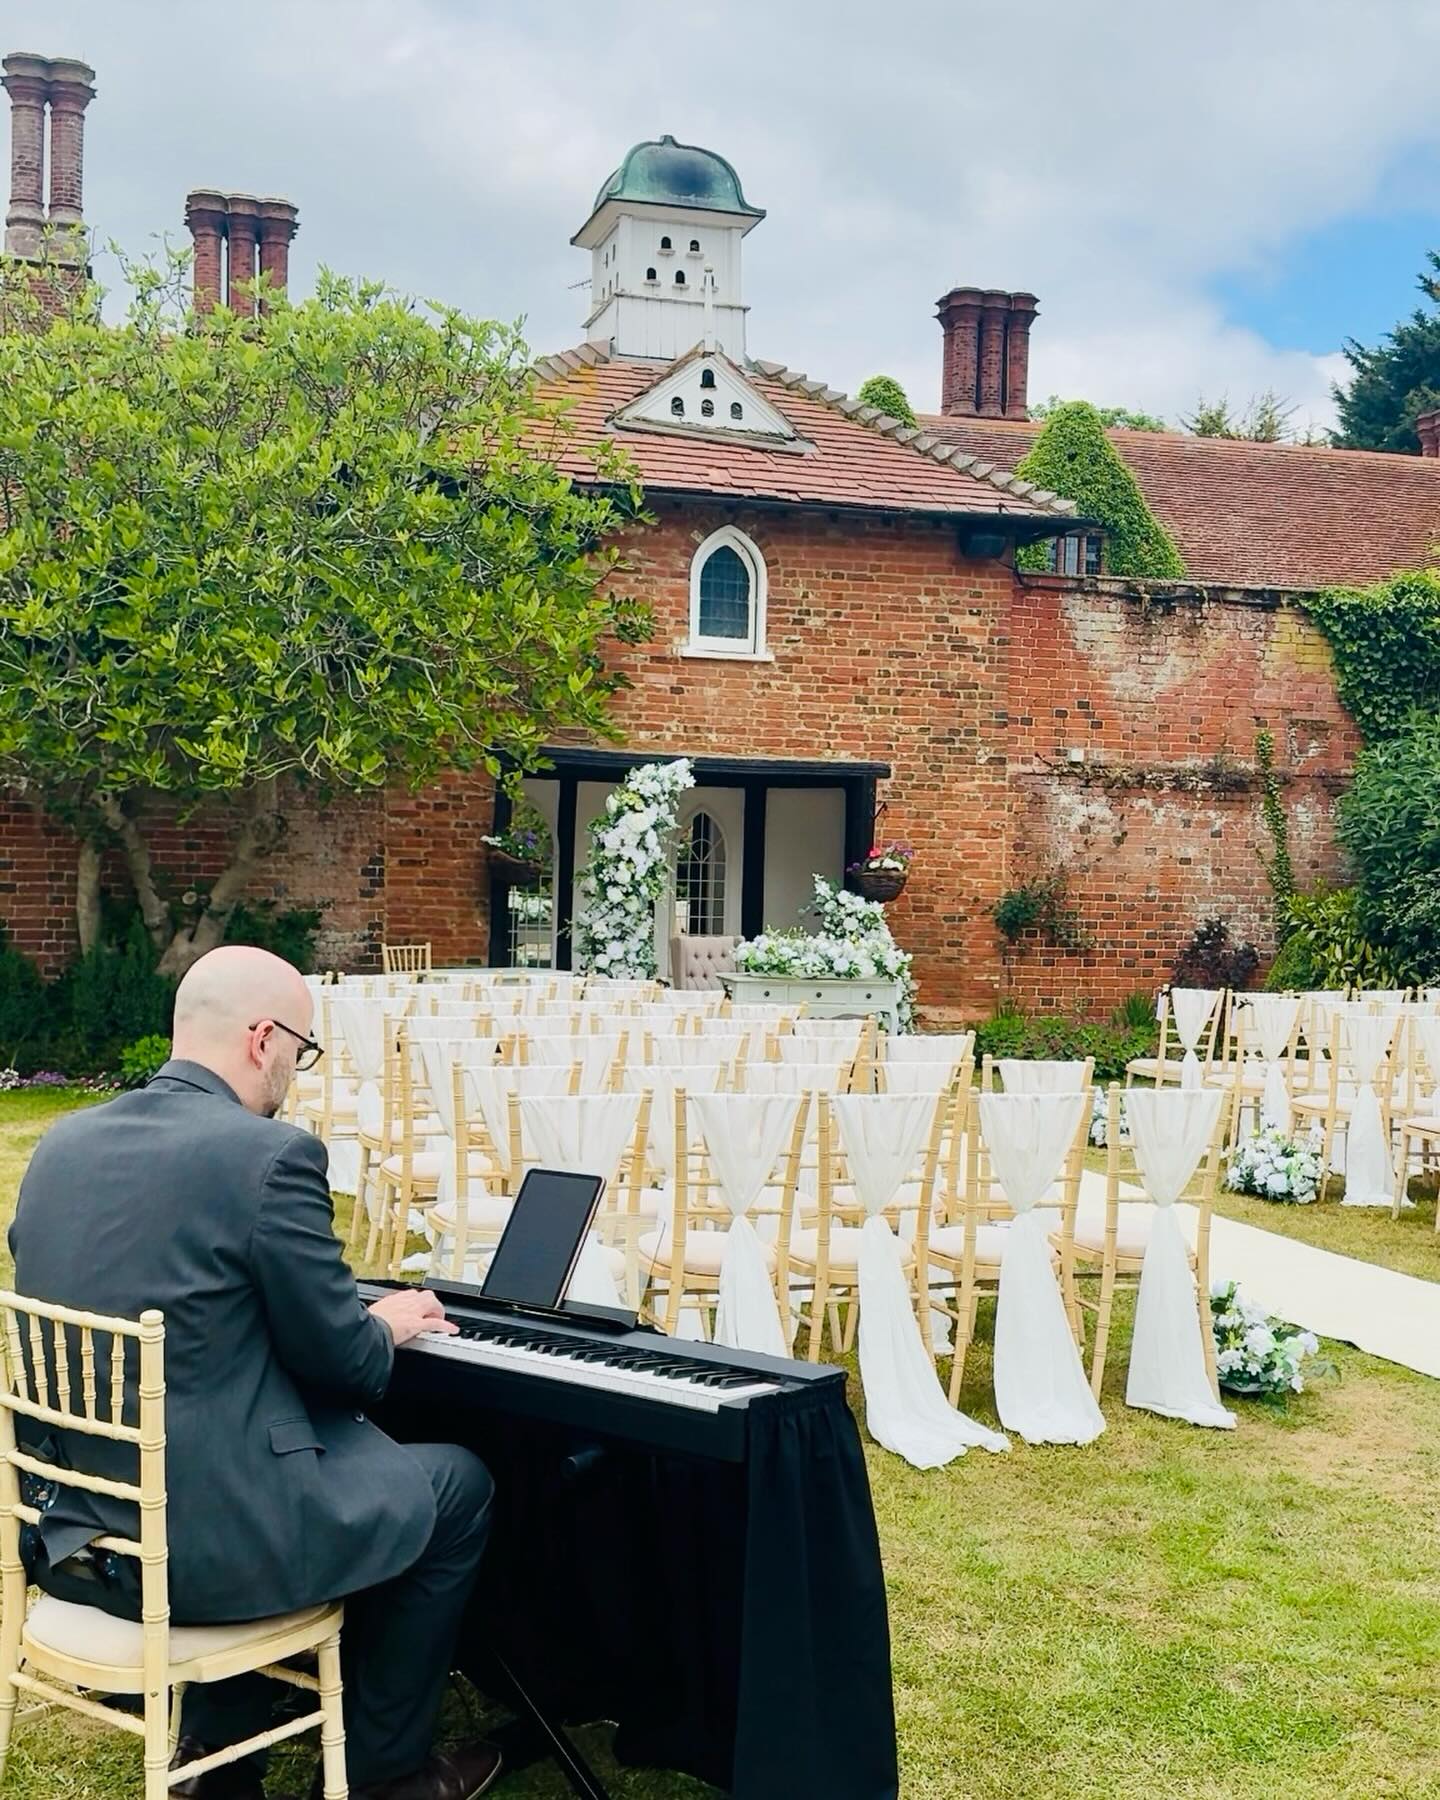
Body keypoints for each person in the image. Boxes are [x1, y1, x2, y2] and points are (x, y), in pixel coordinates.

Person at [9, 945, 502, 1800]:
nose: (295, 1075)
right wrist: (381, 1323)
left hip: (78, 1533)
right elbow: (348, 1367)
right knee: (457, 1484)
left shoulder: (61, 1144)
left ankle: (218, 1754)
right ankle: (387, 1775)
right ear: (262, 1039)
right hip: (202, 1552)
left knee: (241, 1461)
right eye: (301, 1052)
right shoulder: (270, 1157)